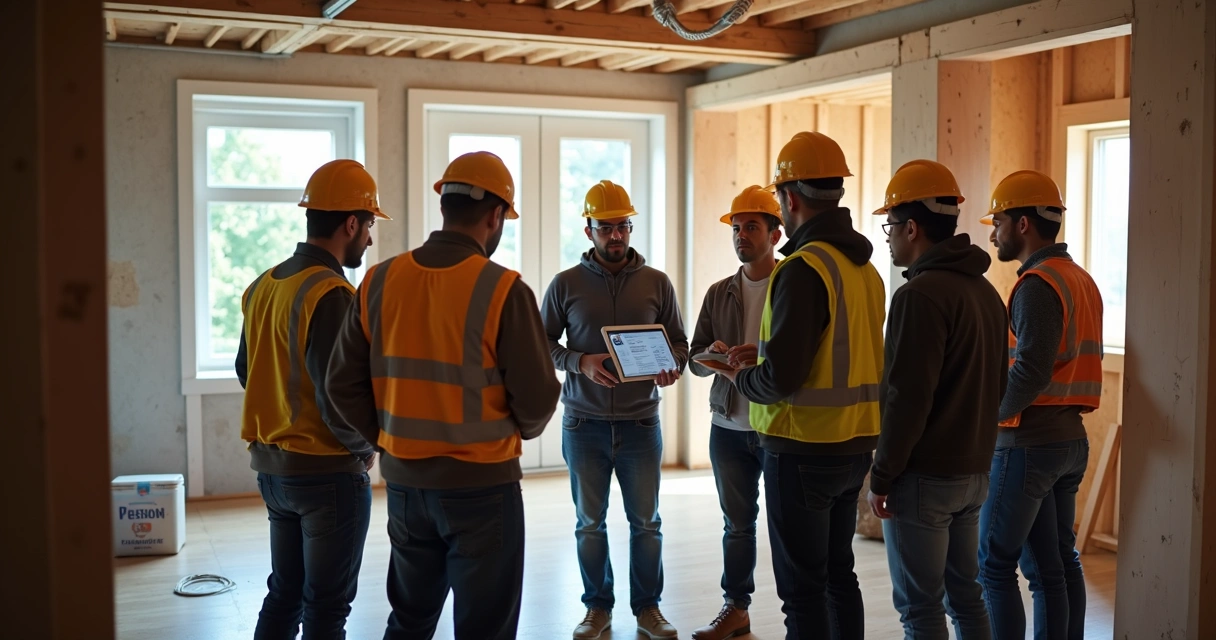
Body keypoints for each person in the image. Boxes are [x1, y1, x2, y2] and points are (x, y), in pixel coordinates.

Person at [326, 151, 561, 640]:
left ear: (444, 206)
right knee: (484, 628)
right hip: (484, 490)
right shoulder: (504, 289)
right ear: (496, 215)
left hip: (407, 488)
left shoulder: (379, 280)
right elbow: (537, 402)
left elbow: (340, 385)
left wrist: (387, 437)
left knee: (410, 619)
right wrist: (517, 428)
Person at [720, 131, 886, 640]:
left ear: (789, 199)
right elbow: (831, 352)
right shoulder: (864, 269)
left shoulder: (802, 268)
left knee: (802, 591)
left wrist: (742, 374)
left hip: (802, 450)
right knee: (840, 576)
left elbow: (780, 381)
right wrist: (765, 355)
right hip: (855, 446)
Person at [236, 158, 384, 639]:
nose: (369, 237)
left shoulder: (264, 284)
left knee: (284, 593)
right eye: (368, 226)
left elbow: (246, 369)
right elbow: (336, 392)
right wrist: (364, 449)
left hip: (273, 473)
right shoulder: (333, 292)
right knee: (326, 608)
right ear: (350, 223)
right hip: (326, 478)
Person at [865, 160, 1008, 640]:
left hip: (923, 478)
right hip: (974, 474)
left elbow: (907, 400)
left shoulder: (919, 297)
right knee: (966, 596)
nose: (887, 237)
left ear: (911, 227)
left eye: (889, 226)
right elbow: (999, 386)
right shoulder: (986, 292)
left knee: (920, 609)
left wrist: (882, 475)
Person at [540, 179, 689, 640]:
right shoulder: (565, 284)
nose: (616, 235)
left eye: (622, 225)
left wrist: (672, 367)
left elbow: (679, 345)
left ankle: (649, 610)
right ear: (589, 231)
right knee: (590, 524)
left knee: (646, 523)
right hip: (582, 424)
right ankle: (597, 609)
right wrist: (579, 362)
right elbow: (541, 344)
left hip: (642, 424)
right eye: (606, 227)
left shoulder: (656, 283)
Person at [978, 170, 1103, 640]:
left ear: (1024, 224)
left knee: (993, 565)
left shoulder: (1037, 283)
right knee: (1054, 563)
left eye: (999, 222)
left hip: (1028, 443)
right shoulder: (1079, 279)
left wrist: (983, 419)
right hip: (1069, 439)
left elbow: (1028, 372)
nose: (994, 233)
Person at [687, 185, 783, 640]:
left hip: (780, 426)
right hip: (726, 427)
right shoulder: (718, 292)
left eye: (751, 227)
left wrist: (760, 358)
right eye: (736, 228)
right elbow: (692, 357)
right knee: (737, 526)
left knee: (786, 528)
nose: (741, 235)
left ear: (775, 234)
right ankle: (736, 609)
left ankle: (796, 613)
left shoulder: (790, 286)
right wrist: (714, 354)